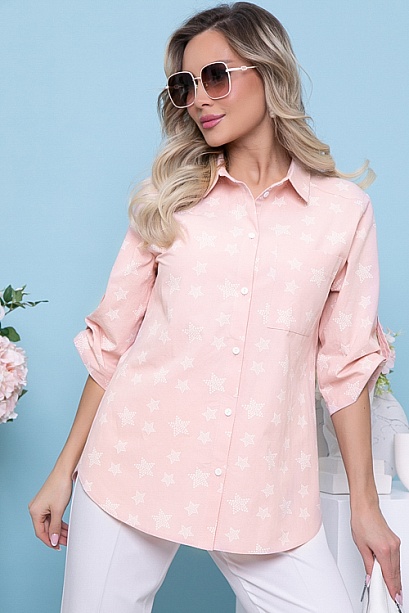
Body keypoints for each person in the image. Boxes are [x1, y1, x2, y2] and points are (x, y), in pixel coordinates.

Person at [29, 3, 402, 612]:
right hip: (135, 467)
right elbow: (111, 345)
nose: (198, 98)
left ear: (269, 72)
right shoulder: (168, 202)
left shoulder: (341, 213)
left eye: (215, 77)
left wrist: (366, 505)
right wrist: (62, 471)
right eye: (185, 85)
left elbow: (346, 365)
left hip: (265, 492)